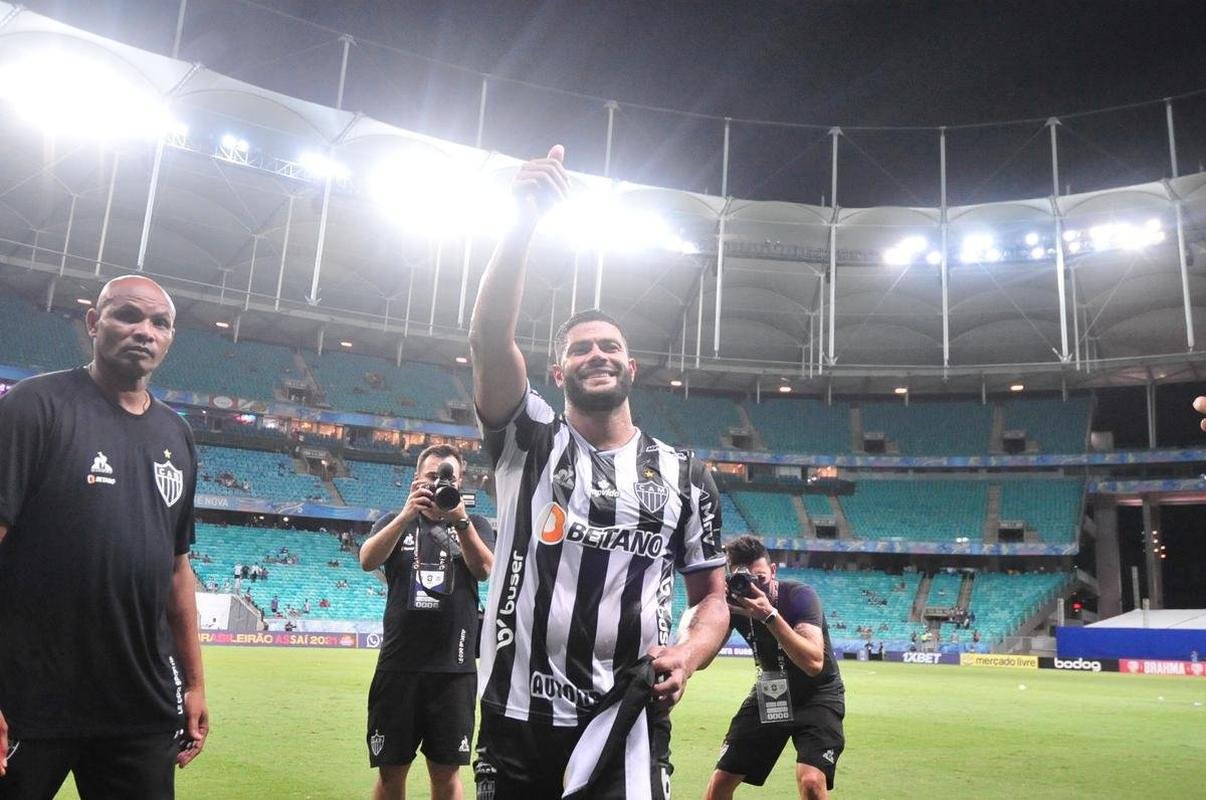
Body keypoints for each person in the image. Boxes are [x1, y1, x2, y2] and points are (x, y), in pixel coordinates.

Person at [468, 143, 730, 798]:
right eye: (580, 349)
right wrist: (523, 220)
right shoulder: (527, 441)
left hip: (629, 719)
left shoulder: (686, 475)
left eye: (609, 346)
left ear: (630, 367)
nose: (596, 355)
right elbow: (488, 341)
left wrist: (690, 654)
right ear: (556, 374)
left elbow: (714, 600)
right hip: (515, 716)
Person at [0, 275, 208, 797]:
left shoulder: (176, 434)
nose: (144, 331)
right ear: (94, 322)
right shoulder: (34, 406)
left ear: (170, 338)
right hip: (29, 700)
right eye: (127, 316)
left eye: (159, 323)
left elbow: (177, 570)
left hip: (138, 706)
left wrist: (196, 683)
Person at [358, 444, 495, 800]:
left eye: (447, 477)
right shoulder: (392, 521)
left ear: (460, 482)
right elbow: (367, 560)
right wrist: (406, 515)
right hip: (398, 666)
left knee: (446, 776)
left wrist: (459, 519)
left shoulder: (475, 523)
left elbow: (484, 569)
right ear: (416, 479)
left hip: (454, 669)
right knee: (390, 774)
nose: (438, 483)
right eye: (432, 476)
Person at [704, 536, 846, 800]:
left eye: (761, 578)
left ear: (773, 571)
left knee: (813, 782)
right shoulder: (732, 604)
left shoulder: (800, 596)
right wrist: (711, 606)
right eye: (744, 579)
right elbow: (704, 658)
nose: (754, 587)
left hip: (818, 693)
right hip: (773, 691)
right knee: (720, 782)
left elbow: (814, 663)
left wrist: (769, 615)